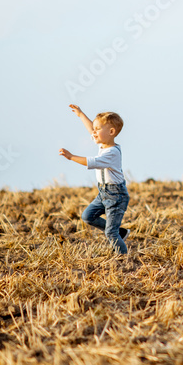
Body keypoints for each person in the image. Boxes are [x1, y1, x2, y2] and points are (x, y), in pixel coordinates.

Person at [59, 104, 129, 254]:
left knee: (110, 233)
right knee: (87, 216)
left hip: (116, 196)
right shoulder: (104, 144)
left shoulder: (112, 152)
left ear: (111, 132)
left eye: (98, 129)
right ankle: (120, 233)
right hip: (103, 193)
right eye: (95, 129)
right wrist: (80, 114)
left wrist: (71, 157)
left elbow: (92, 162)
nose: (94, 133)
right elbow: (91, 129)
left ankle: (124, 258)